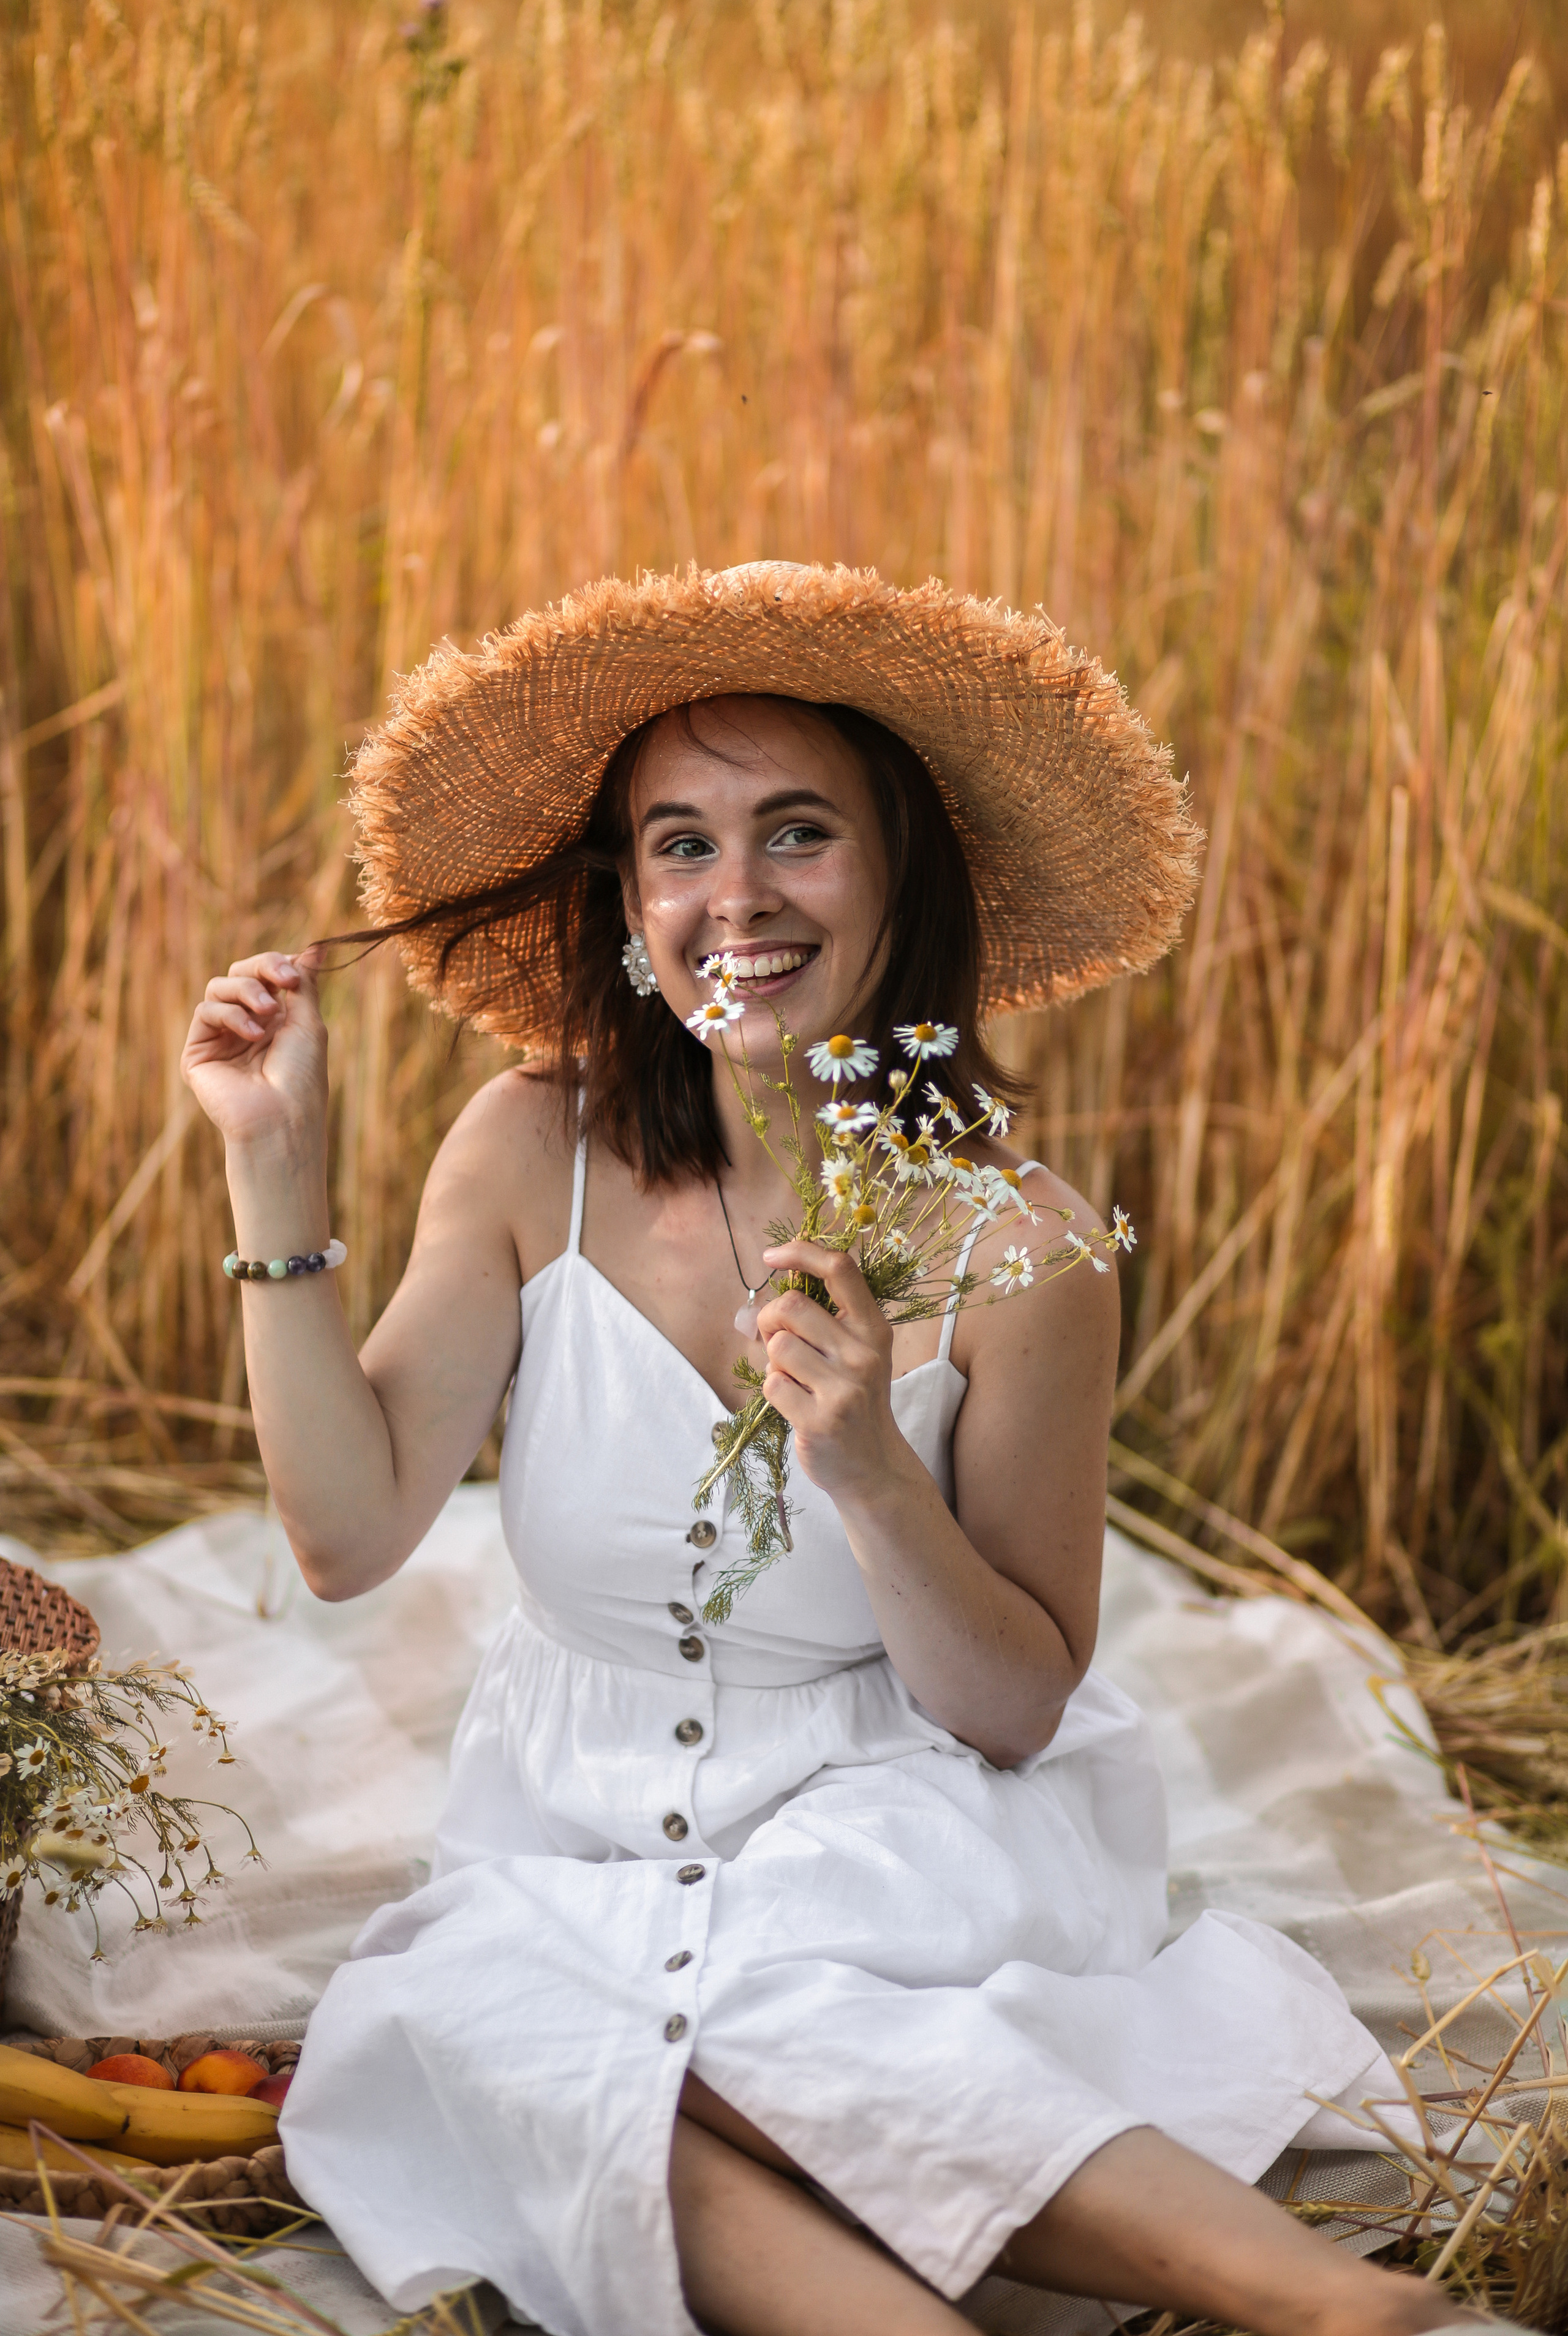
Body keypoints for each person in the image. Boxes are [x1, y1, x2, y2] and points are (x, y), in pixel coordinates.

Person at [181, 565, 1516, 2336]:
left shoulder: (1021, 1249)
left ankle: (1347, 2314)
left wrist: (872, 1465)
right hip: (572, 1826)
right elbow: (346, 1539)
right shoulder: (529, 1151)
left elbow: (1018, 1701)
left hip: (889, 1812)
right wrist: (268, 1166)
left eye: (796, 833)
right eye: (677, 844)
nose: (735, 897)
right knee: (452, 2024)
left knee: (733, 2008)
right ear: (628, 896)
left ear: (902, 876)